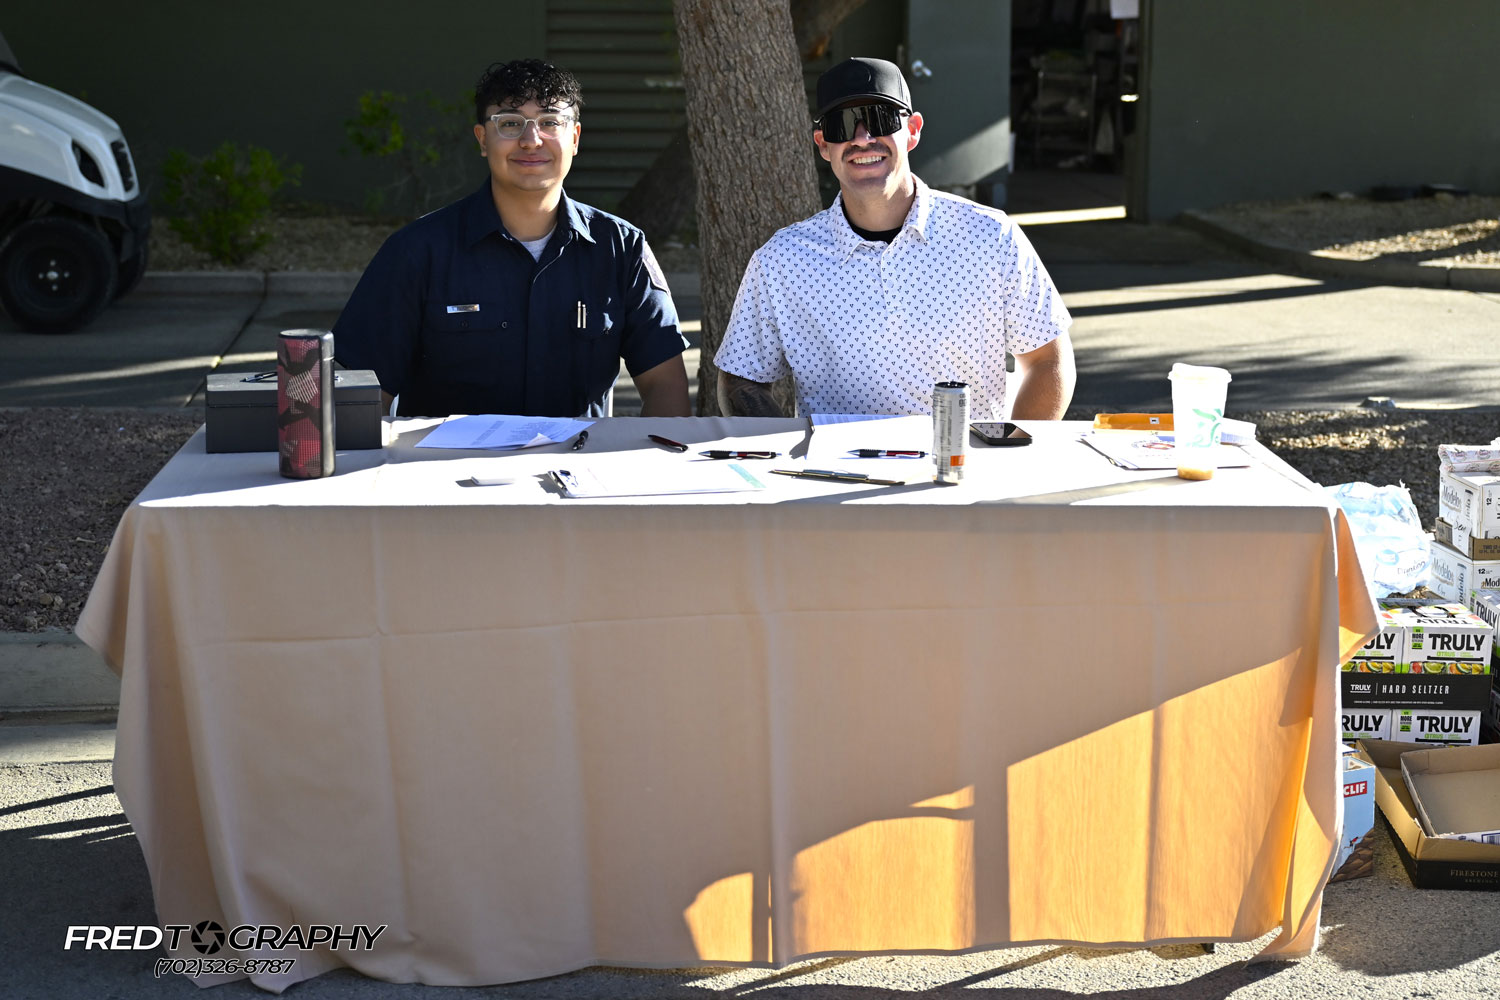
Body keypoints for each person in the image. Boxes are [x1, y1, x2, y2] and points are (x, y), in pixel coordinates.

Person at [715, 57, 1075, 421]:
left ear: (913, 130)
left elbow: (1048, 361)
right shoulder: (781, 260)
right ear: (823, 145)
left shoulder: (991, 237)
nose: (862, 138)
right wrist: (786, 450)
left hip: (963, 456)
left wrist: (1010, 448)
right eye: (842, 124)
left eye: (880, 119)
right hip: (834, 460)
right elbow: (741, 379)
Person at [333, 59, 691, 418]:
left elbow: (665, 385)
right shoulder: (416, 252)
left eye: (550, 122)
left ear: (575, 138)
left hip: (580, 454)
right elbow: (358, 394)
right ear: (482, 139)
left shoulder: (621, 248)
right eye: (509, 123)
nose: (531, 141)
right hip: (443, 455)